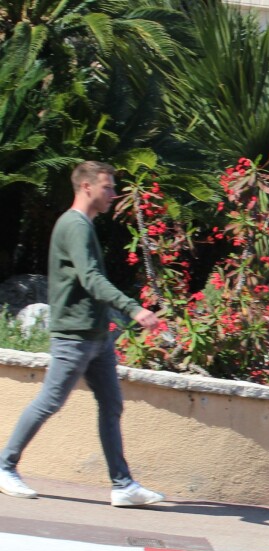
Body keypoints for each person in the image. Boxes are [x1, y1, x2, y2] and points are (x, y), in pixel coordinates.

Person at [0, 161, 165, 506]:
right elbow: (90, 278)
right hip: (73, 336)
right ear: (86, 187)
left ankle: (123, 485)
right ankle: (5, 466)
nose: (113, 194)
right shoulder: (74, 226)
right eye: (107, 187)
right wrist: (133, 307)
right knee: (50, 401)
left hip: (95, 337)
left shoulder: (84, 225)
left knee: (111, 404)